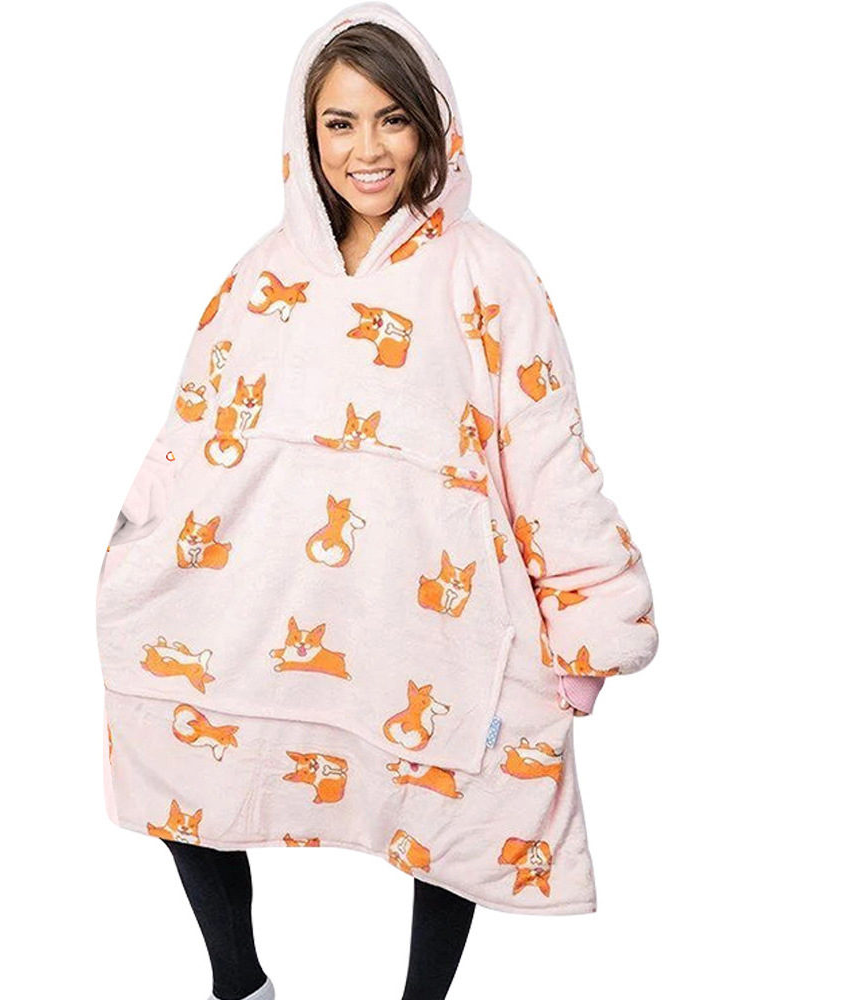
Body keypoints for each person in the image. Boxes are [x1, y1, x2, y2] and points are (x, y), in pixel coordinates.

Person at [94, 4, 659, 999]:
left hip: (425, 611)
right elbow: (196, 426)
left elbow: (546, 451)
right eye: (340, 122)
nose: (368, 150)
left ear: (429, 125)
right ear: (304, 133)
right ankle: (239, 982)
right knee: (184, 757)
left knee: (456, 797)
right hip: (267, 594)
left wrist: (590, 615)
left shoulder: (487, 276)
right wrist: (136, 538)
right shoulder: (262, 275)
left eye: (392, 119)